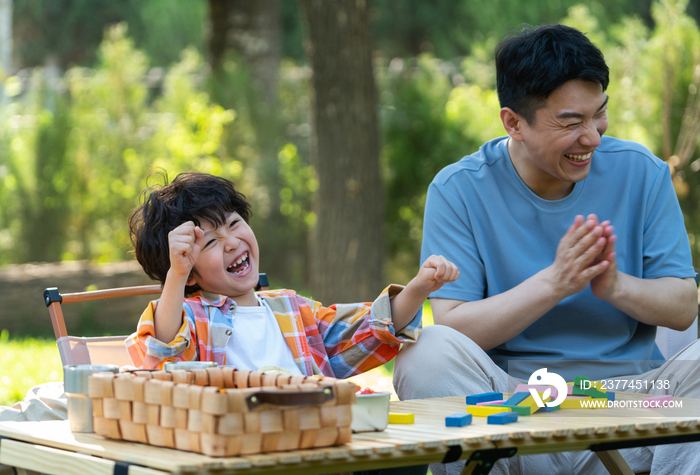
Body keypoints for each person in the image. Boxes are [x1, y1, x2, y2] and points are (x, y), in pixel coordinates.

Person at [393, 24, 700, 475]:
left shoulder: (643, 173)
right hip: (513, 407)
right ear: (513, 122)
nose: (592, 136)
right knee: (425, 350)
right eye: (571, 122)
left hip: (631, 402)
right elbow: (454, 326)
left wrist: (614, 285)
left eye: (599, 114)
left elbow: (682, 307)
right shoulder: (459, 188)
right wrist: (555, 282)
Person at [126, 172, 458, 381]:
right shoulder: (190, 318)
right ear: (191, 274)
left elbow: (371, 329)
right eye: (210, 241)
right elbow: (162, 353)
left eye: (234, 223)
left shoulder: (293, 310)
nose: (231, 243)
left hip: (315, 446)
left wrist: (419, 286)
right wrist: (176, 275)